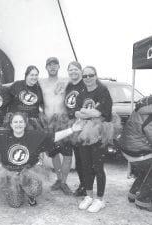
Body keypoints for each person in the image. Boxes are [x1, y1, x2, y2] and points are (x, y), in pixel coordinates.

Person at [0, 112, 84, 208]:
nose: (18, 124)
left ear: (25, 123)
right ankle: (17, 189)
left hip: (29, 170)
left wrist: (72, 129)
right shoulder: (1, 135)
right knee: (15, 204)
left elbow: (53, 137)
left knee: (35, 190)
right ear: (11, 124)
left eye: (20, 122)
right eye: (15, 122)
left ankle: (30, 194)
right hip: (9, 171)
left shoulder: (34, 135)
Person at [74, 66, 113, 213]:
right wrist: (89, 112)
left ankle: (100, 199)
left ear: (96, 75)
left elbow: (102, 113)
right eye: (85, 76)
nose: (88, 78)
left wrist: (85, 112)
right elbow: (77, 112)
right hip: (84, 134)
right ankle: (89, 196)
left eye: (91, 75)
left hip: (99, 134)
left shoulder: (102, 91)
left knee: (98, 167)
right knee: (86, 166)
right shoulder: (82, 93)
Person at [38, 57, 73, 195]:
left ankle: (64, 182)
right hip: (48, 123)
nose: (52, 67)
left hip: (63, 122)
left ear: (59, 67)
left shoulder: (66, 81)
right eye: (50, 65)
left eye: (55, 65)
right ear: (46, 68)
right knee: (54, 154)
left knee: (67, 154)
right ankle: (59, 180)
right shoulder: (41, 82)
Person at [119, 96, 152, 211]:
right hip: (137, 151)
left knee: (146, 170)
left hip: (129, 148)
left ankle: (133, 194)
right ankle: (143, 201)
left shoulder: (145, 106)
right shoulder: (150, 113)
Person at [64, 61, 86, 196]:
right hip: (70, 125)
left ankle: (85, 186)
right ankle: (83, 185)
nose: (73, 72)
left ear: (81, 71)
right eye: (71, 70)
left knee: (83, 158)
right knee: (77, 158)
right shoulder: (68, 86)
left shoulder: (85, 84)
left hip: (82, 125)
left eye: (76, 70)